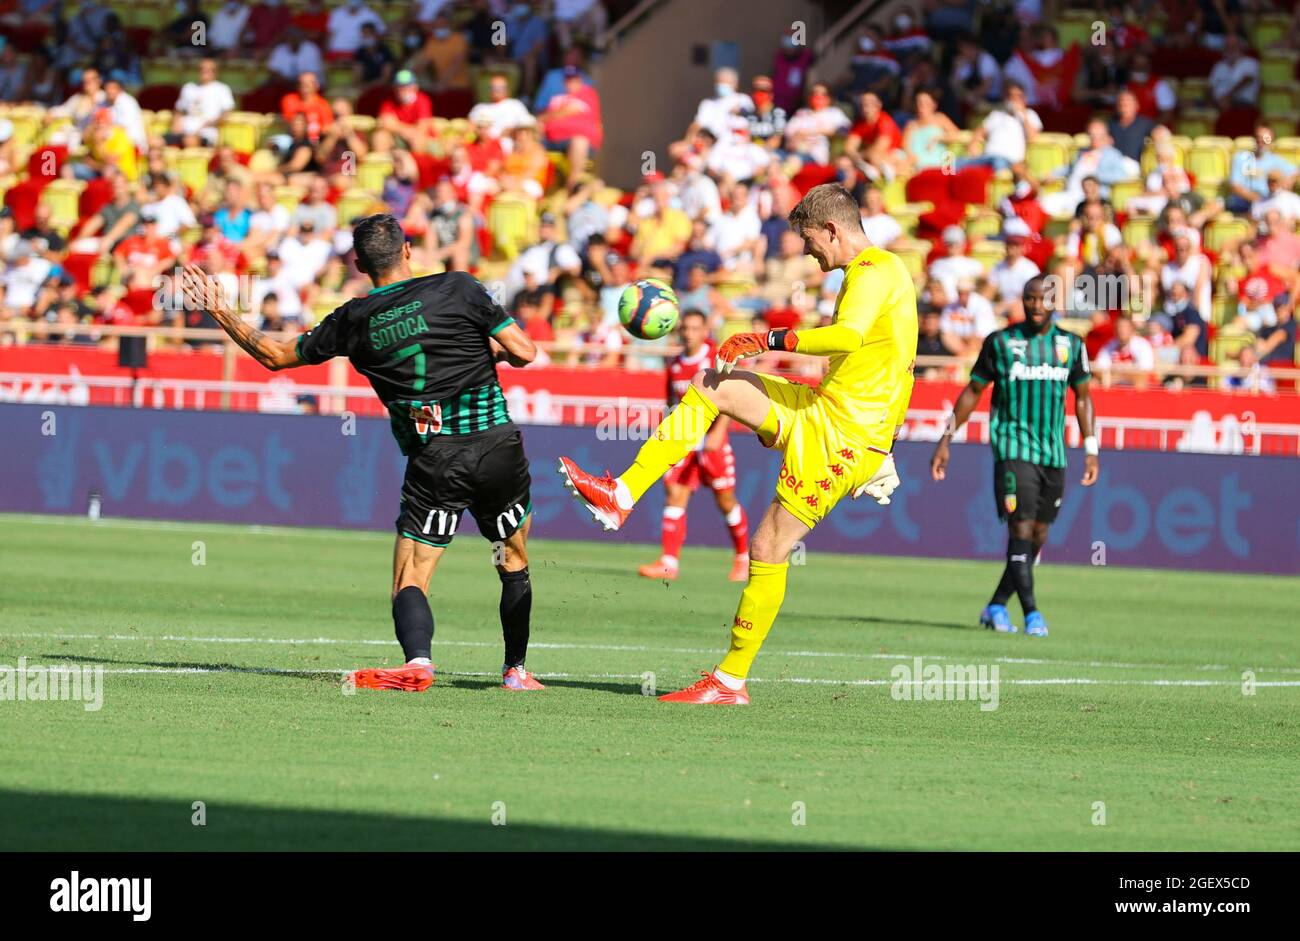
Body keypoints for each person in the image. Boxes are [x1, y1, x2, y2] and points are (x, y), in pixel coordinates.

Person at [558, 184, 916, 704]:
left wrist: (767, 339)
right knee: (713, 383)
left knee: (769, 546)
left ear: (833, 230)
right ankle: (623, 495)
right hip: (822, 409)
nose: (809, 252)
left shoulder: (874, 270)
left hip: (844, 437)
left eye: (811, 240)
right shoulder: (876, 273)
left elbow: (847, 337)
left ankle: (729, 680)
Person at [177, 214, 543, 692]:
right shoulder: (460, 287)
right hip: (497, 446)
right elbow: (526, 352)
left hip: (436, 460)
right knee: (511, 558)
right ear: (407, 249)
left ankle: (418, 663)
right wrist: (493, 354)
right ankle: (515, 671)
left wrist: (220, 308)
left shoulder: (354, 319)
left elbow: (274, 355)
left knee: (411, 575)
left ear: (359, 264)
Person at [930, 277, 1099, 638]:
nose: (1036, 305)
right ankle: (1033, 614)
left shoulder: (1071, 344)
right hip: (1012, 449)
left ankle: (994, 606)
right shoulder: (1001, 342)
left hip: (1054, 453)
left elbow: (1083, 397)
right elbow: (973, 390)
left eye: (1043, 299)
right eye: (1030, 298)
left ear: (1055, 302)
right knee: (1020, 529)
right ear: (1022, 301)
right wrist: (946, 438)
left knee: (1037, 536)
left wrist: (1091, 447)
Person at [638, 310, 751, 584]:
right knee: (674, 493)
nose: (688, 333)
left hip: (713, 442)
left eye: (694, 328)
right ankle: (669, 563)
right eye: (685, 328)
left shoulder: (714, 359)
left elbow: (730, 396)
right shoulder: (675, 364)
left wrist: (719, 431)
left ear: (704, 331)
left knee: (725, 500)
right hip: (686, 441)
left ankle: (743, 559)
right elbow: (671, 402)